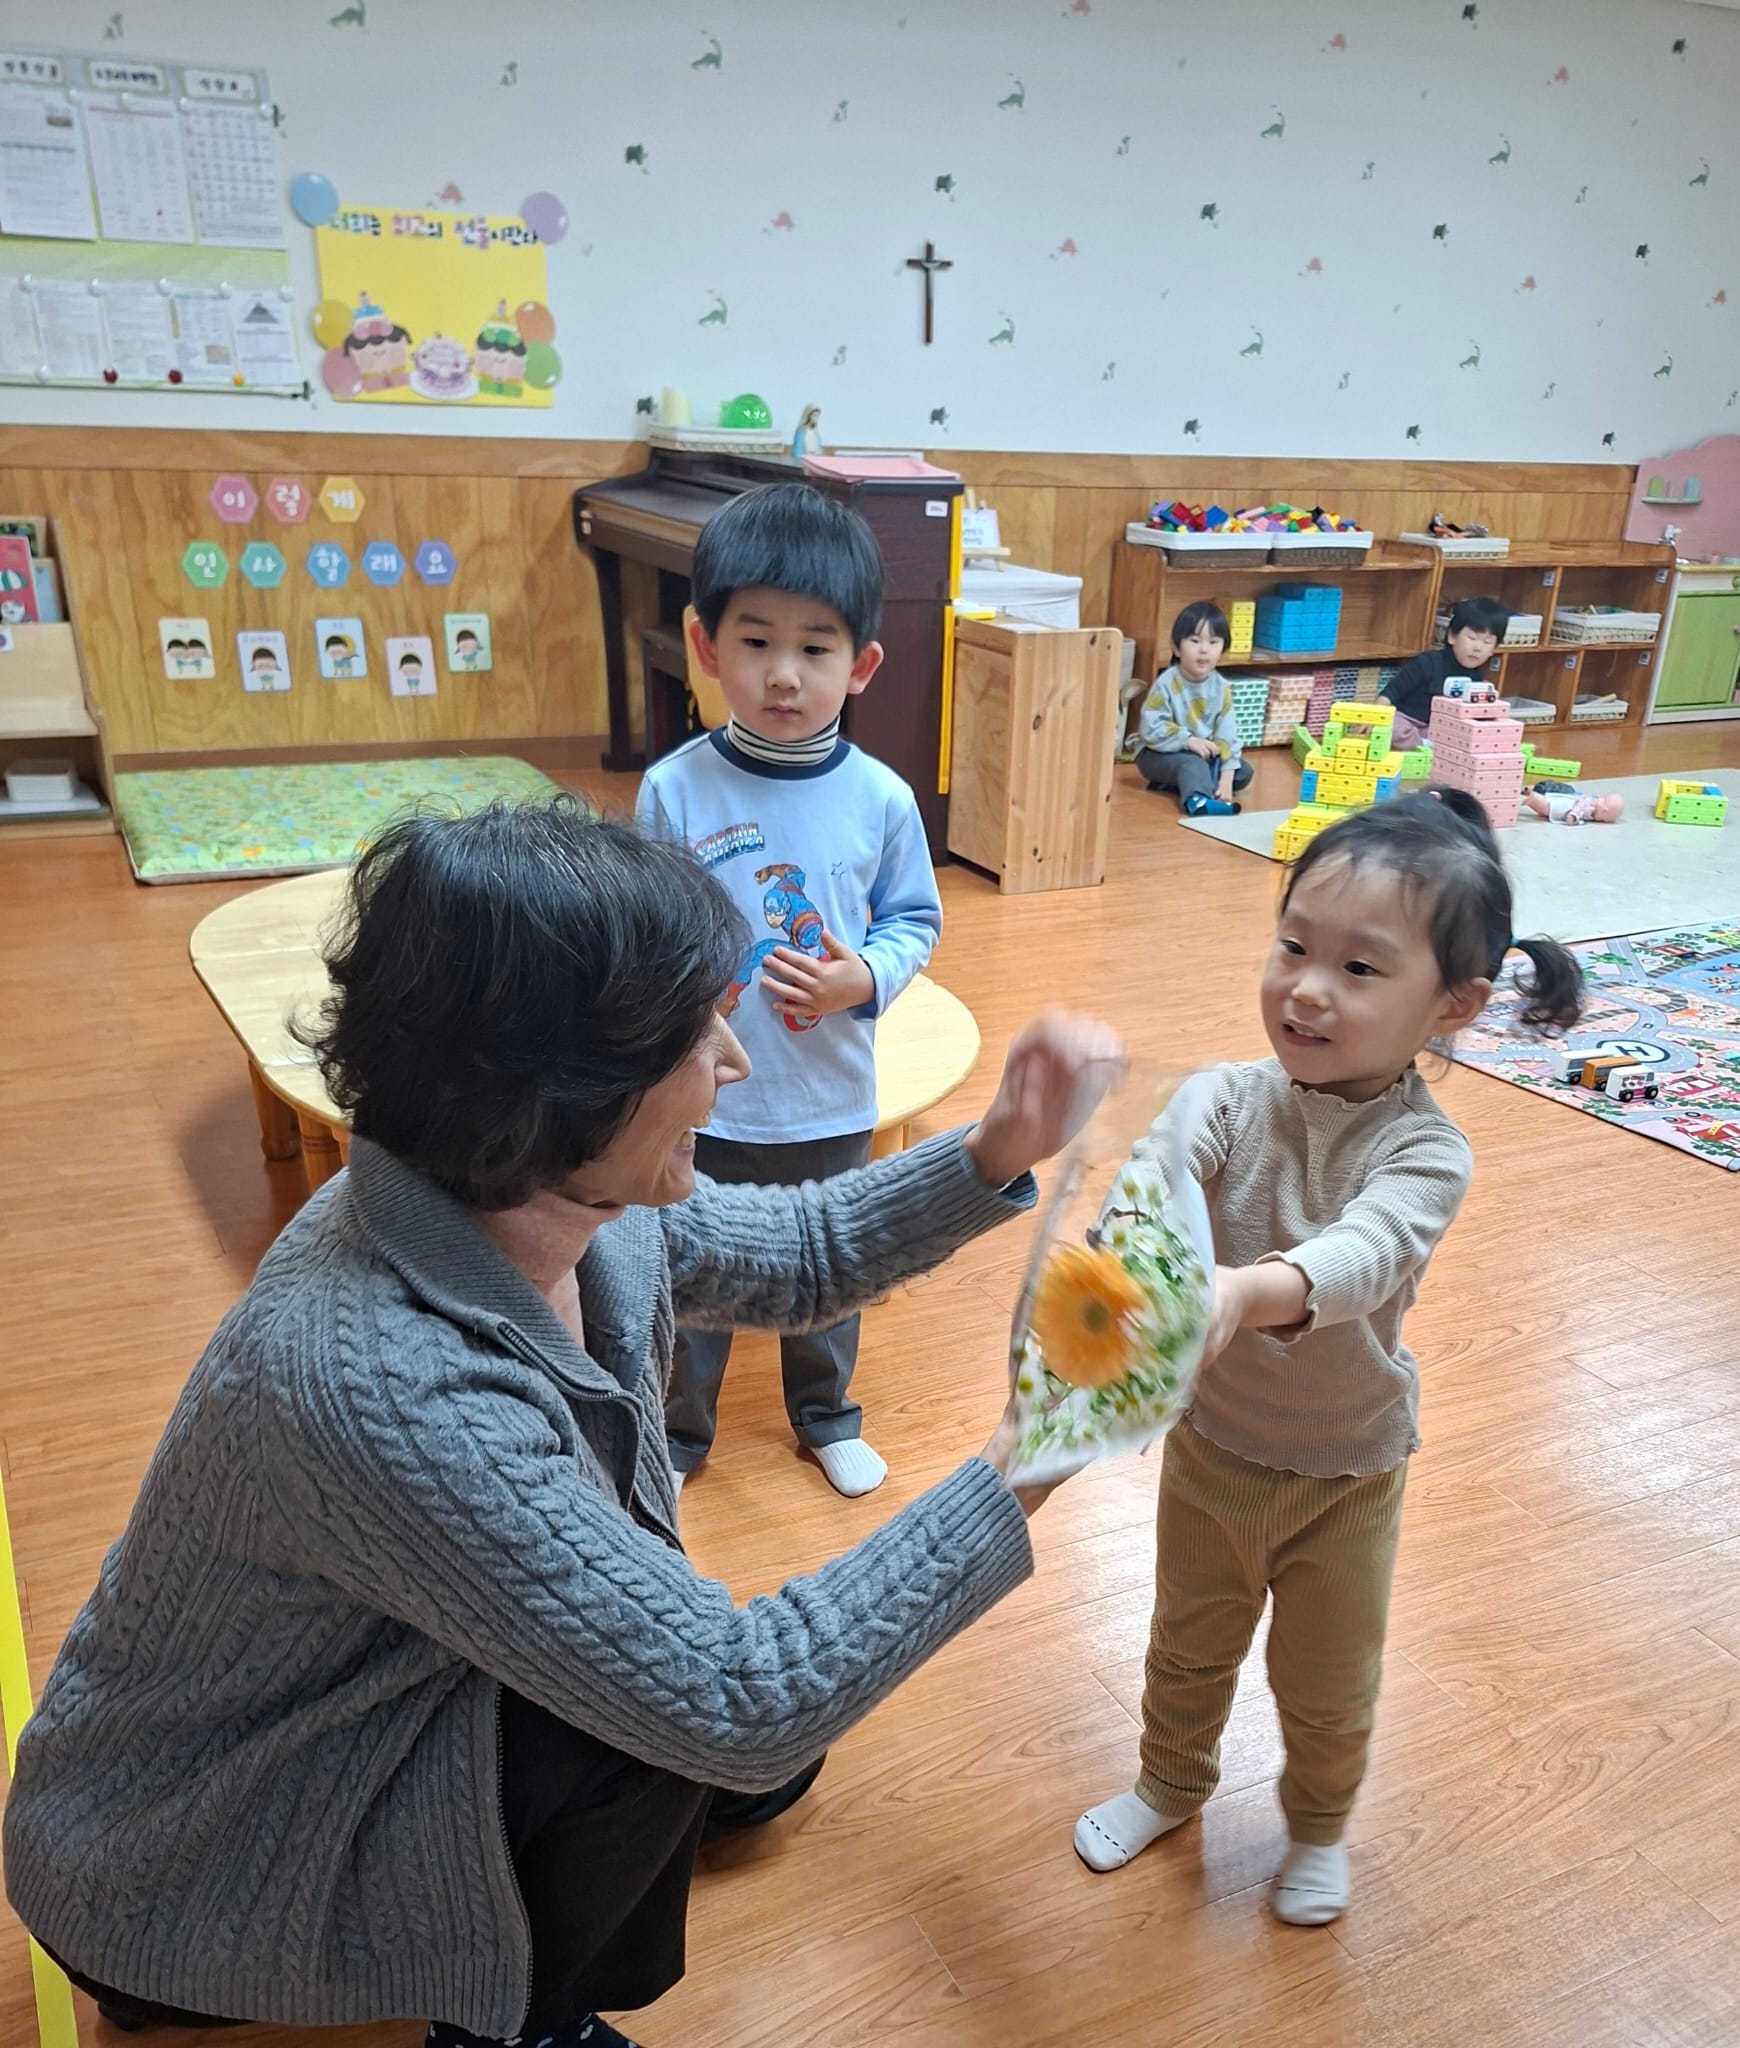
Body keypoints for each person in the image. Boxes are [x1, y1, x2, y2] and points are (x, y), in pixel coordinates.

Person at [3, 799, 1119, 2048]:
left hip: (342, 1712)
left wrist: (995, 1148)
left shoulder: (541, 1194)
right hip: (179, 1870)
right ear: (559, 1093)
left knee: (692, 1714)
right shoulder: (384, 1381)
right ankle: (517, 2021)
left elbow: (801, 1252)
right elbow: (738, 1691)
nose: (735, 1062)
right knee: (674, 1734)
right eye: (694, 1037)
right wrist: (1035, 1450)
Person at [1073, 787, 1583, 1925]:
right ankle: (1169, 1783)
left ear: (1453, 1005)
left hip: (1347, 1474)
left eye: (1359, 968)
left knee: (1326, 1680)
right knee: (1187, 1642)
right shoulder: (1226, 1094)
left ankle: (1315, 1826)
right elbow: (1161, 1159)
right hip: (1214, 1448)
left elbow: (1363, 1254)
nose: (1307, 986)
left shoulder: (1426, 1152)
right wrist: (1136, 1219)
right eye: (1294, 945)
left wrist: (1241, 1291)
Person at [636, 482, 942, 1500]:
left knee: (830, 1263)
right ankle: (678, 1430)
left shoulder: (881, 798)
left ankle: (826, 1415)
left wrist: (866, 976)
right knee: (695, 1265)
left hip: (828, 1093)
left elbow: (914, 920)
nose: (782, 673)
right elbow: (643, 925)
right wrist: (677, 1000)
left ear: (860, 666)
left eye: (815, 648)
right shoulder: (675, 788)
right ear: (706, 645)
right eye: (756, 641)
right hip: (706, 1097)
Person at [1133, 600, 1255, 816]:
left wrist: (1227, 778)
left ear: (1223, 650)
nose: (1204, 650)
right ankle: (1198, 801)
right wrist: (1188, 741)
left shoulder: (1221, 688)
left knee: (1242, 771)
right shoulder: (1167, 683)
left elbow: (1228, 735)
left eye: (1213, 642)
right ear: (1176, 648)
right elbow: (1151, 726)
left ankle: (1182, 783)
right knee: (1192, 765)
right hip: (1156, 753)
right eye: (1195, 641)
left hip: (1200, 755)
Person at [1381, 594, 1510, 750]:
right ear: (1452, 636)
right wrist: (1375, 717)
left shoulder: (1477, 679)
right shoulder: (1427, 662)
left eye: (1487, 642)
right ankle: (1424, 745)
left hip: (1439, 729)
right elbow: (1391, 692)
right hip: (1407, 720)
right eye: (1472, 638)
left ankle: (1428, 745)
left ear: (1493, 650)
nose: (1478, 647)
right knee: (1391, 727)